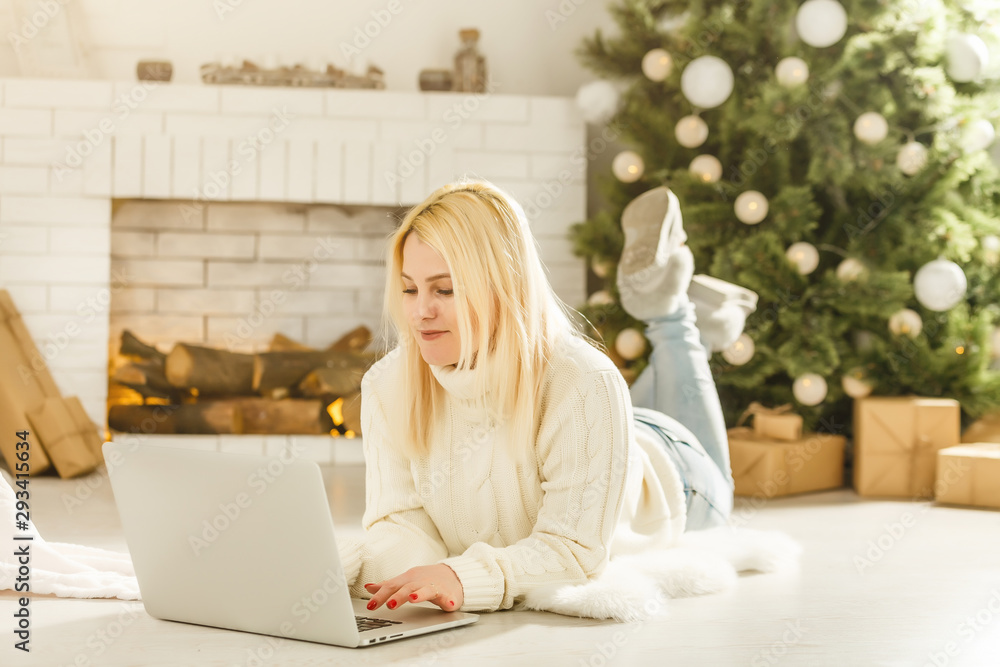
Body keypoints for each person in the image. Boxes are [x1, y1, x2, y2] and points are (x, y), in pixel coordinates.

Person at [339, 180, 744, 615]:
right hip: (604, 427)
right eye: (409, 288)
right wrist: (343, 568)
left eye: (445, 289)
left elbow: (572, 551)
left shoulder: (587, 381)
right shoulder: (385, 386)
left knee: (675, 384)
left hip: (674, 471)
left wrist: (462, 576)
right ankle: (681, 313)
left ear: (503, 286)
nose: (420, 312)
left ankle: (674, 313)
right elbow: (399, 523)